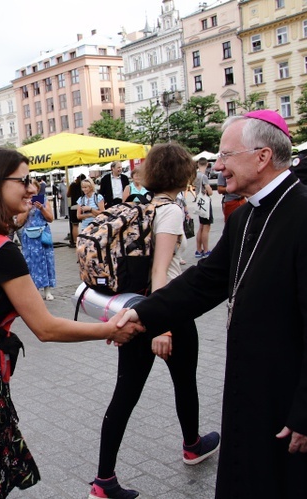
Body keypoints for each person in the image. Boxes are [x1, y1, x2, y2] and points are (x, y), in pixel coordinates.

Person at [117, 110, 307, 498]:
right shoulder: (245, 215)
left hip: (290, 394)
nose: (217, 166)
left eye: (225, 155)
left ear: (262, 156)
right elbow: (202, 284)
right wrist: (140, 312)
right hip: (248, 387)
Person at [0, 147, 142, 497]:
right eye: (24, 180)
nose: (32, 188)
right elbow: (46, 327)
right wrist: (110, 328)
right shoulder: (0, 251)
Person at [89, 143, 220, 499]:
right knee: (183, 382)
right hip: (166, 312)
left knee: (125, 395)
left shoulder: (140, 205)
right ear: (184, 174)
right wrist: (163, 326)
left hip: (133, 310)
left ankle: (104, 480)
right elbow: (161, 272)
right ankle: (192, 445)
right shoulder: (170, 211)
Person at [16, 179, 56, 300]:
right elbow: (19, 222)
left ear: (38, 190)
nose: (31, 195)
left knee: (46, 261)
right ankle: (34, 291)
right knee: (31, 263)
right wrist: (27, 209)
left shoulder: (44, 200)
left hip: (43, 236)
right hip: (29, 237)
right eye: (29, 192)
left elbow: (50, 218)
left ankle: (48, 290)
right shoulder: (22, 203)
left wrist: (42, 208)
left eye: (34, 192)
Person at [194, 158, 213, 258]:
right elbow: (209, 191)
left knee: (201, 226)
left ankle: (198, 249)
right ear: (207, 164)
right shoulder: (204, 176)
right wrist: (210, 192)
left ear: (198, 164)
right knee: (206, 227)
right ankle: (206, 250)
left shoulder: (196, 175)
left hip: (199, 202)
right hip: (205, 203)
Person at [67, 174, 86, 244]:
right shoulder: (84, 186)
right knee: (86, 223)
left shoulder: (72, 185)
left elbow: (68, 194)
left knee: (75, 225)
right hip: (83, 205)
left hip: (74, 205)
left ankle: (75, 241)